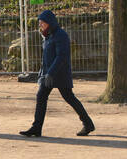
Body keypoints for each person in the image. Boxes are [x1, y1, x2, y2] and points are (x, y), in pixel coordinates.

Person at [20, 8, 95, 138]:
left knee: (69, 97)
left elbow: (61, 56)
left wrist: (51, 73)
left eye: (42, 22)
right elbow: (46, 58)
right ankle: (36, 128)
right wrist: (43, 73)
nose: (40, 25)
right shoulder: (47, 36)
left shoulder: (61, 35)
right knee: (41, 97)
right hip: (48, 74)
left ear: (50, 22)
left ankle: (88, 123)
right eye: (40, 23)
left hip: (59, 73)